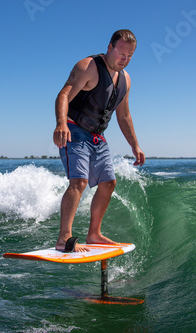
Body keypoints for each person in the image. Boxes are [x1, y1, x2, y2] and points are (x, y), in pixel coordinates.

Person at [53, 29, 145, 252]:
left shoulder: (125, 79)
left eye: (129, 56)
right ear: (110, 47)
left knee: (109, 183)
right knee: (79, 181)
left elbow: (123, 115)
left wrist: (135, 145)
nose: (124, 60)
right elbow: (64, 94)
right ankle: (64, 238)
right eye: (121, 53)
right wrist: (61, 123)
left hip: (97, 137)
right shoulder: (88, 66)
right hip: (74, 130)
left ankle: (94, 234)